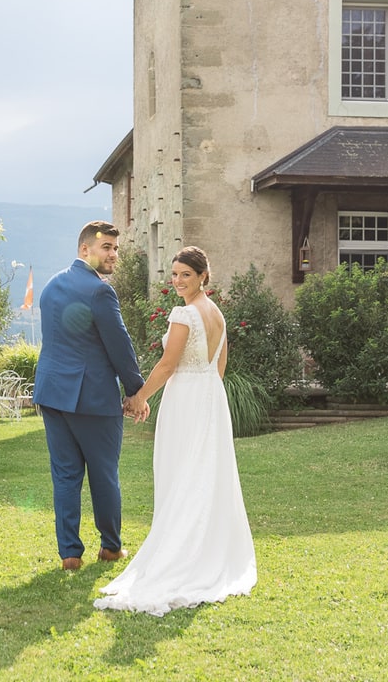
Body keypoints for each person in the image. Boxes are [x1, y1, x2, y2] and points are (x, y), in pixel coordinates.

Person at [95, 245, 257, 615]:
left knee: (183, 473)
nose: (178, 281)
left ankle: (183, 554)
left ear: (203, 276)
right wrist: (204, 396)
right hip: (210, 399)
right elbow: (219, 367)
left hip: (187, 397)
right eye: (174, 275)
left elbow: (167, 366)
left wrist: (138, 396)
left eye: (186, 274)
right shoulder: (216, 313)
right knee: (202, 473)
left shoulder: (185, 314)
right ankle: (204, 548)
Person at [33, 221, 151, 571]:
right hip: (93, 399)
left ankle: (70, 554)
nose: (113, 254)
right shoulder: (100, 291)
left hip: (52, 395)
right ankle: (111, 548)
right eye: (107, 248)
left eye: (116, 248)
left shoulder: (52, 285)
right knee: (103, 474)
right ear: (85, 249)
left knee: (66, 476)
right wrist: (136, 392)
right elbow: (120, 345)